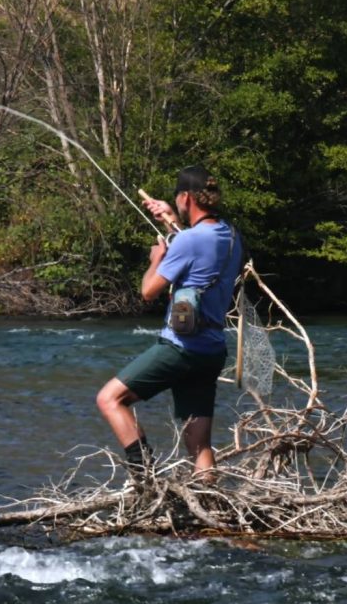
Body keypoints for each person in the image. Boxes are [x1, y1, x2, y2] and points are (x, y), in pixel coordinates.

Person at [96, 165, 243, 481]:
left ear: (186, 197)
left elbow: (148, 291)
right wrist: (171, 219)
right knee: (199, 444)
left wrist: (157, 260)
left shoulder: (187, 241)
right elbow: (200, 246)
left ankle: (146, 480)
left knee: (110, 399)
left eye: (177, 198)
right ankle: (210, 501)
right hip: (212, 351)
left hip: (180, 348)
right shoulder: (232, 235)